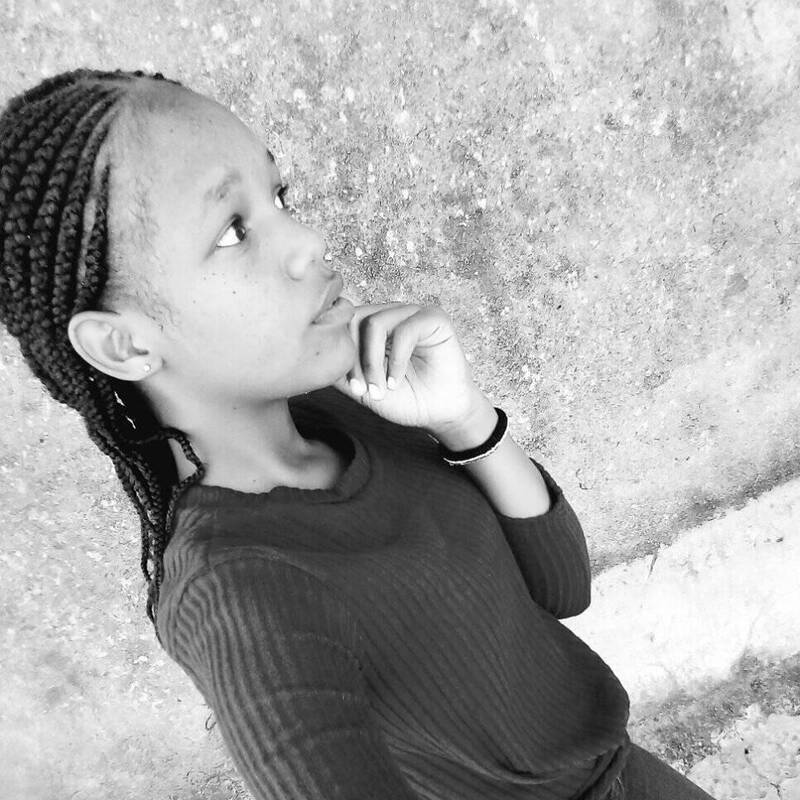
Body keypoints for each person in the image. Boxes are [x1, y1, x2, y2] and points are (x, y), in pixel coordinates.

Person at [0, 68, 717, 800]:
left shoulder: (348, 408)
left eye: (280, 196)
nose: (307, 240)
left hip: (630, 771)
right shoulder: (236, 591)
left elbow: (560, 586)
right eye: (233, 230)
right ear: (124, 345)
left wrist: (462, 417)